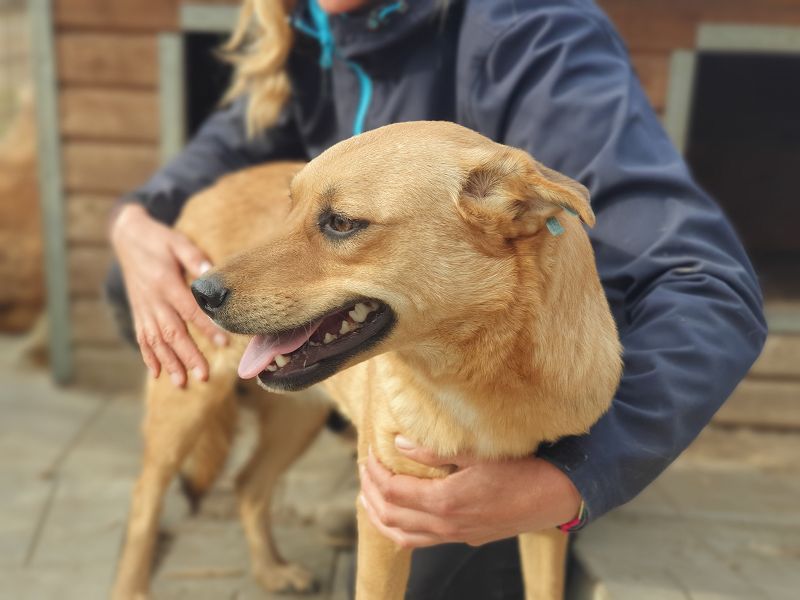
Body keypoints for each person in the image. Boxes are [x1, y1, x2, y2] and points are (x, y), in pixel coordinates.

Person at [107, 0, 767, 597]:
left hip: (505, 344)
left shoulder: (532, 30)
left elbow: (703, 280)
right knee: (149, 342)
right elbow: (226, 146)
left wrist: (572, 481)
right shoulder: (302, 27)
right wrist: (134, 219)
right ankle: (143, 556)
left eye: (341, 222)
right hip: (390, 341)